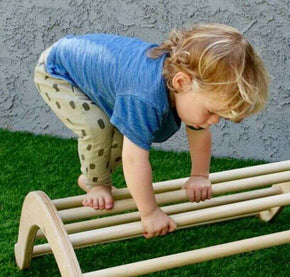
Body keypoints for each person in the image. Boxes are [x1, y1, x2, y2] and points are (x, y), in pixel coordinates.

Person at [33, 23, 269, 238]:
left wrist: (199, 176)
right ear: (180, 83)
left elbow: (199, 132)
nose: (214, 121)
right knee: (100, 129)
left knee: (121, 132)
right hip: (58, 71)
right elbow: (135, 160)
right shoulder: (145, 98)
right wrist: (150, 212)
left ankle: (95, 177)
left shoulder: (190, 88)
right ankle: (94, 183)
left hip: (99, 74)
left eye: (221, 116)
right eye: (211, 112)